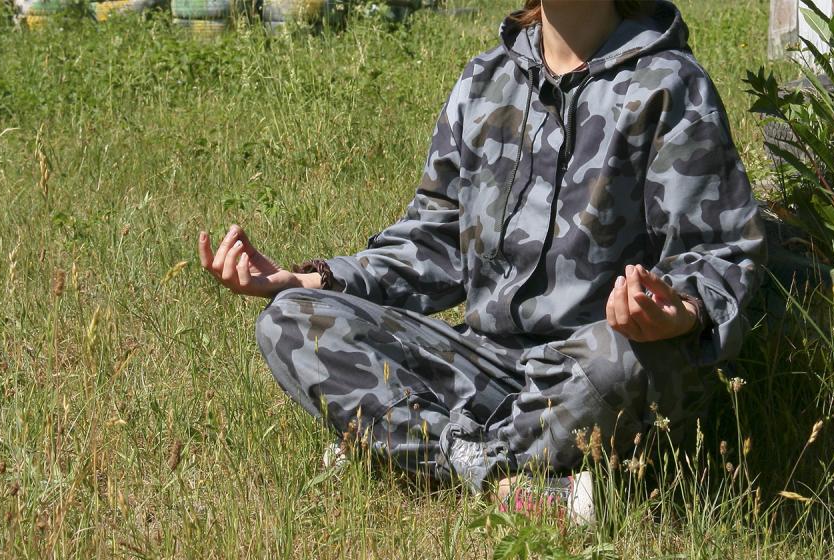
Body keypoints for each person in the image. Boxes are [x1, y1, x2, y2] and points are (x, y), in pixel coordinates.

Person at [198, 0, 764, 523]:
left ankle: (409, 450)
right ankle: (505, 480)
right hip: (480, 360)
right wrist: (312, 278)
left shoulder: (669, 87)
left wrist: (677, 310)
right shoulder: (485, 81)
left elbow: (719, 250)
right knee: (291, 317)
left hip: (589, 369)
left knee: (623, 359)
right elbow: (436, 241)